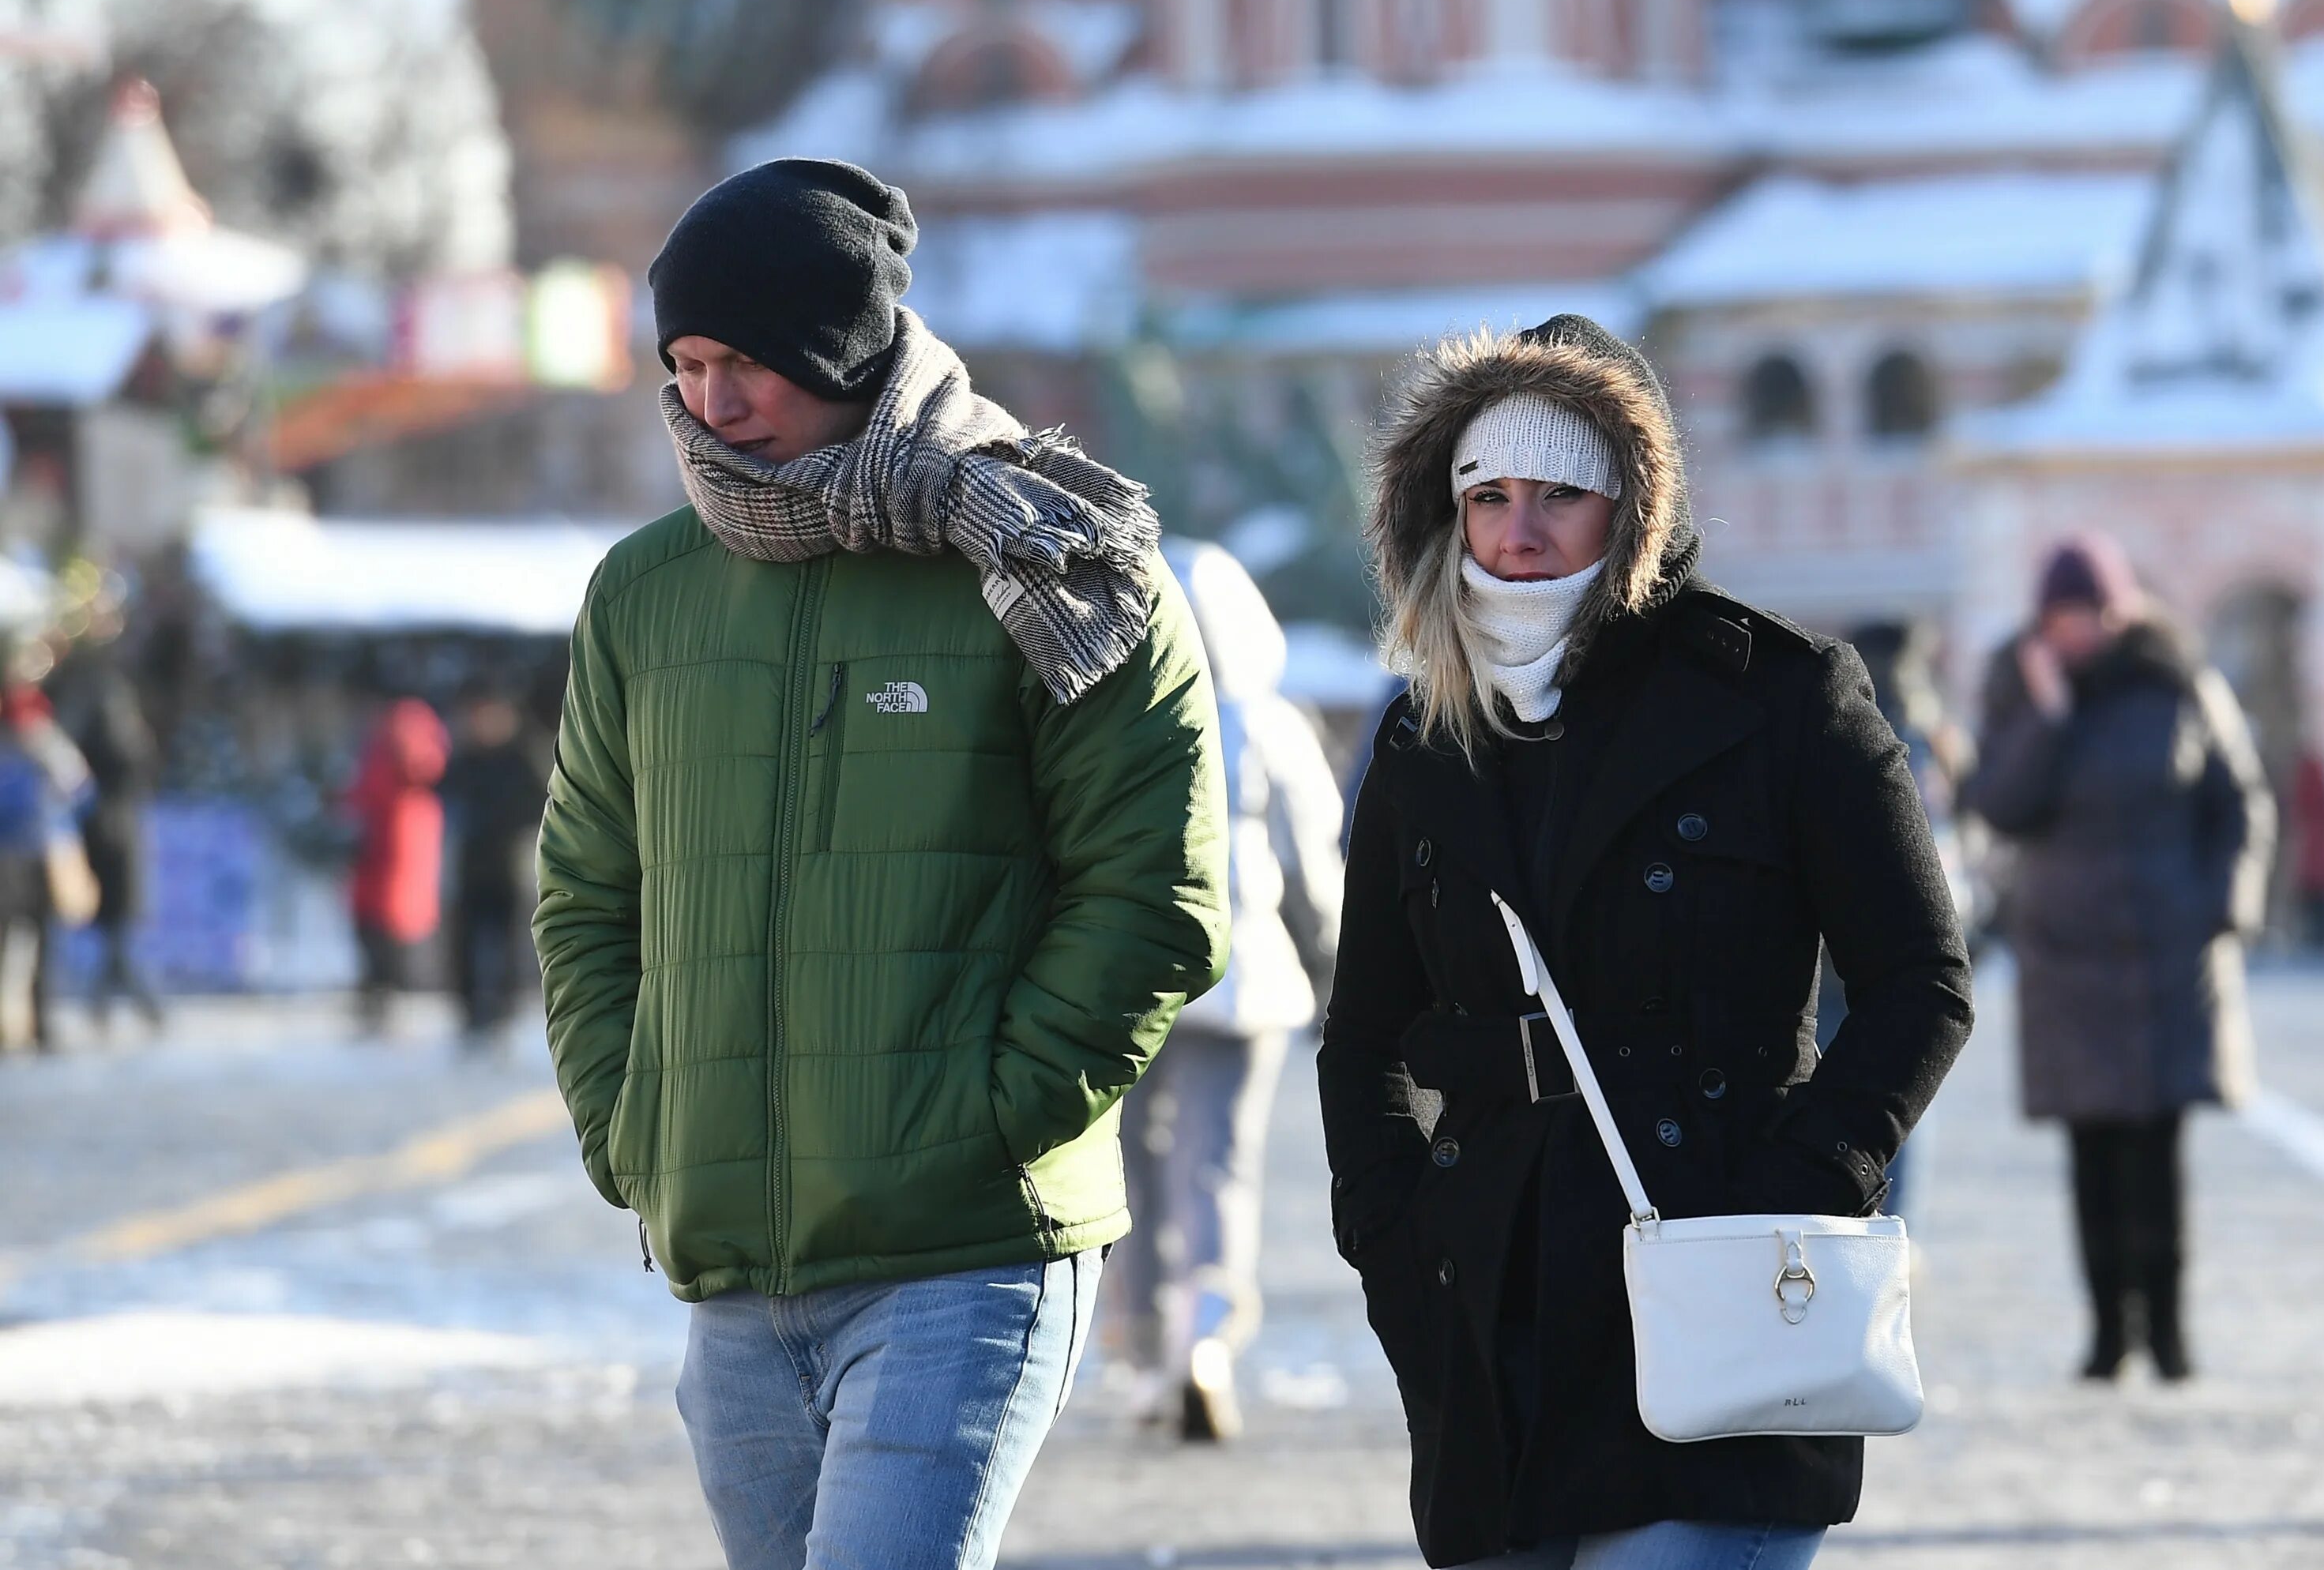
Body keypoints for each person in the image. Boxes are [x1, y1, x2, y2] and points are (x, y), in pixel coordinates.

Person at [534, 159, 1228, 1570]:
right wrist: (634, 1126)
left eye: (746, 363)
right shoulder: (646, 594)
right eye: (683, 363)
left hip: (965, 1250)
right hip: (731, 1265)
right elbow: (589, 894)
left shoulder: (1052, 558)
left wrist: (993, 1112)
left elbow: (1154, 886)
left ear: (842, 349)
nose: (709, 404)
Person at [1318, 315, 1973, 1568]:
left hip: (1720, 1276)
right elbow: (1364, 1039)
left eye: (1561, 493)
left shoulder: (1783, 697)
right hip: (1491, 1305)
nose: (1519, 529)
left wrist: (1798, 1190)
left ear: (1632, 504)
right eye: (1488, 493)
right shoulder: (1422, 737)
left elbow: (1921, 983)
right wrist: (1395, 1240)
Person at [1965, 535, 2273, 1384]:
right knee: (2093, 1150)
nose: (2078, 631)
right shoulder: (2019, 688)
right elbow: (1999, 804)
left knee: (2159, 1147)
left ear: (2123, 608)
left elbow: (2240, 798)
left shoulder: (2178, 683)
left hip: (2170, 953)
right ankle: (2107, 1334)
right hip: (2068, 960)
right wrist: (2049, 714)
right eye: (2062, 617)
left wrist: (2224, 906)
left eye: (2093, 614)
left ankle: (2171, 1334)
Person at [1116, 539, 1344, 1442]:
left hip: (1130, 981)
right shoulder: (1272, 721)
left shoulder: (1117, 710)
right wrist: (1332, 971)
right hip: (1247, 977)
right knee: (1221, 1165)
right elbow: (1312, 867)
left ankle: (1139, 1353)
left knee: (1131, 1168)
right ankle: (1205, 1334)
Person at [1811, 618, 1976, 1226]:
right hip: (1918, 934)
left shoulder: (1838, 714)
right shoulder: (1933, 733)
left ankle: (1841, 1214)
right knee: (1903, 1083)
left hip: (1829, 946)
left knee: (1830, 1079)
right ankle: (1893, 1222)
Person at [54, 640, 164, 1032]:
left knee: (116, 930)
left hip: (109, 825)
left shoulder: (95, 698)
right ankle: (137, 1007)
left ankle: (115, 1005)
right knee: (116, 926)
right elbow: (128, 757)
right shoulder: (105, 703)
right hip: (112, 829)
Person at [439, 686, 546, 1041]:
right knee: (465, 945)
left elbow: (542, 803)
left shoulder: (523, 758)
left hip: (509, 865)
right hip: (471, 865)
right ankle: (471, 1015)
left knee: (509, 945)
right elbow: (444, 792)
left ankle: (503, 1012)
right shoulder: (466, 758)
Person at [0, 682, 95, 1051]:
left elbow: (83, 795)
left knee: (44, 946)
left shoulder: (54, 753)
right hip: (10, 858)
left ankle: (42, 1024)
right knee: (10, 946)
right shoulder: (11, 757)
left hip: (45, 858)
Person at [347, 697, 449, 1036]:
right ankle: (380, 998)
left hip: (390, 865)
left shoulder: (397, 762)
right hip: (376, 865)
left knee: (387, 937)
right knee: (377, 934)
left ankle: (386, 998)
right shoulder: (383, 758)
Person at [2289, 744, 2324, 959]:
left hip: (2313, 861)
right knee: (2319, 902)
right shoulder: (2315, 781)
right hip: (2318, 861)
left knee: (2316, 901)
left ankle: (2316, 940)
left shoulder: (2306, 781)